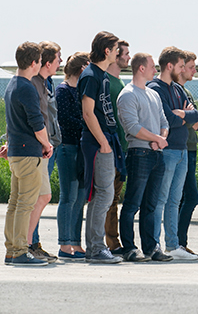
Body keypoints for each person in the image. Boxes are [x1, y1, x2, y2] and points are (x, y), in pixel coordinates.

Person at [1, 42, 53, 266]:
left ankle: (12, 249)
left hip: (16, 152)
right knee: (25, 204)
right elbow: (37, 123)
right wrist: (47, 144)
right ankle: (21, 250)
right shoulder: (27, 87)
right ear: (34, 63)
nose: (40, 65)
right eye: (40, 61)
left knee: (15, 203)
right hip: (28, 153)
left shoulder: (12, 84)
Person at [147, 46, 198, 261]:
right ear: (169, 66)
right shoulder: (155, 88)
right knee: (160, 199)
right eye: (180, 66)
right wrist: (184, 116)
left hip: (182, 151)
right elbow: (168, 118)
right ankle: (154, 244)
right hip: (167, 151)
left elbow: (195, 115)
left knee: (174, 199)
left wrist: (186, 115)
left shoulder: (178, 90)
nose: (183, 69)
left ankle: (173, 244)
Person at [117, 53, 172, 262]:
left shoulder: (153, 94)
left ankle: (151, 247)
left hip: (157, 154)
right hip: (139, 153)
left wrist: (160, 139)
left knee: (151, 204)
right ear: (141, 68)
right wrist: (157, 138)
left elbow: (164, 122)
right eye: (152, 67)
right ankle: (130, 247)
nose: (155, 70)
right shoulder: (128, 94)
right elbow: (132, 127)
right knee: (133, 203)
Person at [79, 31, 124, 263]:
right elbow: (88, 113)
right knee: (104, 194)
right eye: (116, 48)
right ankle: (96, 248)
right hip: (98, 142)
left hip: (106, 140)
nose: (119, 52)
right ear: (107, 50)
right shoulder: (91, 76)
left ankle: (95, 247)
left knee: (104, 195)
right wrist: (104, 143)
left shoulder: (102, 75)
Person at [27, 40, 62, 263]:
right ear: (47, 62)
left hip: (49, 146)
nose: (61, 62)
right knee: (36, 198)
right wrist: (45, 143)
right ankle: (29, 244)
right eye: (58, 58)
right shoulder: (34, 84)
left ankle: (32, 243)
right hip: (40, 148)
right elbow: (34, 117)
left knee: (41, 197)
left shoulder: (47, 83)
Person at [55, 51, 90, 260]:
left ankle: (75, 243)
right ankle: (64, 243)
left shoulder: (79, 92)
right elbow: (66, 120)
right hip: (68, 147)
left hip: (81, 148)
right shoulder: (63, 91)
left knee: (79, 199)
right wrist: (89, 126)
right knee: (68, 197)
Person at [105, 40, 130, 254]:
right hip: (111, 150)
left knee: (114, 198)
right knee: (109, 199)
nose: (128, 57)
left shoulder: (119, 83)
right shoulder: (107, 82)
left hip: (121, 149)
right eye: (125, 53)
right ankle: (112, 243)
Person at [177, 50, 198, 257]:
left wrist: (190, 117)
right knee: (189, 196)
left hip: (190, 149)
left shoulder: (188, 93)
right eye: (192, 67)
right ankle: (177, 242)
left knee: (187, 196)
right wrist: (189, 117)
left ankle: (179, 241)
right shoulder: (178, 92)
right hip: (181, 149)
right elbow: (183, 119)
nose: (195, 71)